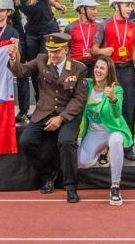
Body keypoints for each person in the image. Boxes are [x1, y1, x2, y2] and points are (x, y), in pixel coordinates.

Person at [7, 32, 88, 203]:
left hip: (68, 114)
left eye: (56, 51)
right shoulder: (41, 60)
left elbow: (79, 99)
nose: (52, 55)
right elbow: (21, 71)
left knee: (66, 142)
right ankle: (48, 174)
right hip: (44, 112)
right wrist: (14, 59)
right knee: (26, 142)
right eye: (50, 51)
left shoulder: (78, 68)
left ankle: (70, 186)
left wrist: (61, 118)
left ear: (65, 50)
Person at [77, 56, 133, 206]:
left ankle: (115, 186)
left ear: (109, 72)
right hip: (93, 132)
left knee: (115, 141)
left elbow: (117, 113)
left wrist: (113, 99)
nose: (98, 70)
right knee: (82, 162)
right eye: (96, 67)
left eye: (102, 68)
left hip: (112, 129)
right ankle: (102, 151)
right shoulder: (88, 85)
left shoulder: (117, 89)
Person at [96, 0, 135, 162]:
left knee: (128, 109)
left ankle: (128, 147)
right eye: (127, 5)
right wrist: (103, 51)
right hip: (110, 71)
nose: (130, 9)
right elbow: (94, 50)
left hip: (128, 70)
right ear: (116, 6)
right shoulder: (104, 25)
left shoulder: (134, 26)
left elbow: (134, 50)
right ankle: (104, 149)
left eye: (131, 5)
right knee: (108, 110)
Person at [66, 0, 100, 78]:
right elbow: (66, 50)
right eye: (93, 9)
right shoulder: (70, 28)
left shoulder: (99, 27)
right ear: (82, 10)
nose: (96, 12)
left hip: (94, 66)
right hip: (76, 67)